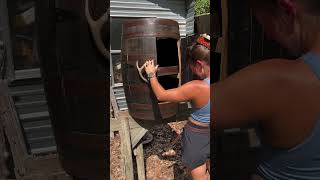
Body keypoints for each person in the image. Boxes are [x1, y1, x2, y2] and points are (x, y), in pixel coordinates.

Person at [213, 0, 320, 179]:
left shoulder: (280, 81)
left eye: (265, 24)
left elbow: (198, 107)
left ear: (286, 11)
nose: (269, 36)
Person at [143, 34, 210, 180]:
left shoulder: (198, 87)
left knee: (199, 172)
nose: (192, 71)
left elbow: (162, 95)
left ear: (199, 64)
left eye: (192, 67)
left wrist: (151, 75)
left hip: (198, 137)